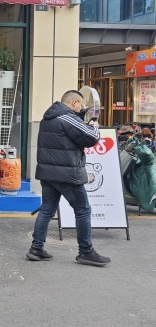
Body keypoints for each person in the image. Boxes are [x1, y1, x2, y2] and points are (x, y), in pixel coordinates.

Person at [28, 90, 111, 267]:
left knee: (47, 210)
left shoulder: (48, 118)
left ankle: (36, 248)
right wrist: (94, 125)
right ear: (74, 103)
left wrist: (80, 119)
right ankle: (86, 251)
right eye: (80, 104)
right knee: (83, 210)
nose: (81, 107)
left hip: (48, 173)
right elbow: (91, 137)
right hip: (67, 175)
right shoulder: (67, 118)